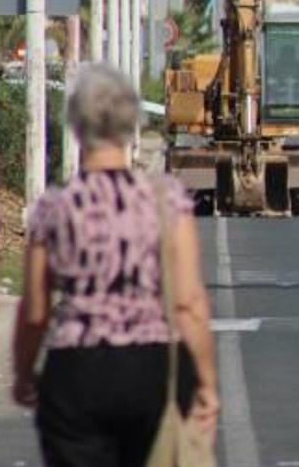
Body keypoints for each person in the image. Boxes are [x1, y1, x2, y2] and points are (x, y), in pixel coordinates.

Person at [11, 64, 219, 466]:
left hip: (76, 374)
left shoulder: (55, 207)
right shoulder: (166, 201)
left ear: (75, 124)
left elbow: (35, 311)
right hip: (151, 371)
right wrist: (206, 384)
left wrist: (23, 372)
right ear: (130, 124)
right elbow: (189, 304)